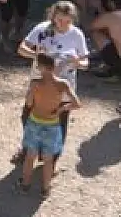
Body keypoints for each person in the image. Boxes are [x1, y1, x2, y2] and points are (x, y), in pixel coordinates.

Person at [13, 0, 90, 165]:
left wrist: (75, 62)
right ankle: (28, 149)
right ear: (53, 16)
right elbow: (22, 48)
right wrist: (41, 58)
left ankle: (51, 157)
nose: (63, 24)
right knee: (28, 115)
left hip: (62, 86)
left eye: (68, 21)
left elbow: (85, 64)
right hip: (39, 82)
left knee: (59, 121)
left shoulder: (76, 34)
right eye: (60, 20)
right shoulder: (42, 29)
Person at [18, 51, 80, 198]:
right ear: (54, 66)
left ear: (41, 67)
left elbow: (29, 103)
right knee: (48, 159)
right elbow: (77, 104)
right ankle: (45, 189)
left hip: (35, 122)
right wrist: (61, 109)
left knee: (30, 156)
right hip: (52, 124)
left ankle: (25, 184)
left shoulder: (35, 83)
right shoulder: (63, 84)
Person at [88, 0, 121, 78]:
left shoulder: (110, 17)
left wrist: (98, 7)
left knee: (96, 33)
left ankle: (112, 66)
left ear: (111, 3)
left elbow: (90, 27)